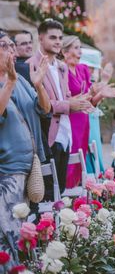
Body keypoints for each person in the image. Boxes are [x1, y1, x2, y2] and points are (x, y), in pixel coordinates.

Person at [0, 31, 50, 267]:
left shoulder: (19, 79)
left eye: (12, 45)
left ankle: (21, 266)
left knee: (22, 226)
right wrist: (9, 82)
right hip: (7, 168)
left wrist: (39, 86)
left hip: (29, 163)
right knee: (9, 228)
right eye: (4, 46)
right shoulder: (10, 81)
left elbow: (44, 109)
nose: (11, 50)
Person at [27, 19, 93, 197]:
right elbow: (39, 104)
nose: (58, 41)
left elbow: (67, 99)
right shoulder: (31, 65)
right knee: (47, 193)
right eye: (53, 37)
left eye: (60, 38)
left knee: (61, 190)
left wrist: (83, 101)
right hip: (48, 136)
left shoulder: (61, 67)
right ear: (40, 38)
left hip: (66, 133)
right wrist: (69, 105)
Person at [61, 35, 115, 187]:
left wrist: (101, 94)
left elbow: (90, 103)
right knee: (71, 162)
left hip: (84, 120)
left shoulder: (83, 69)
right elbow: (65, 99)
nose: (80, 51)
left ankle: (83, 195)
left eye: (80, 47)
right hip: (70, 122)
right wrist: (92, 92)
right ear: (65, 52)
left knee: (84, 160)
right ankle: (69, 195)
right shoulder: (60, 70)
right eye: (76, 48)